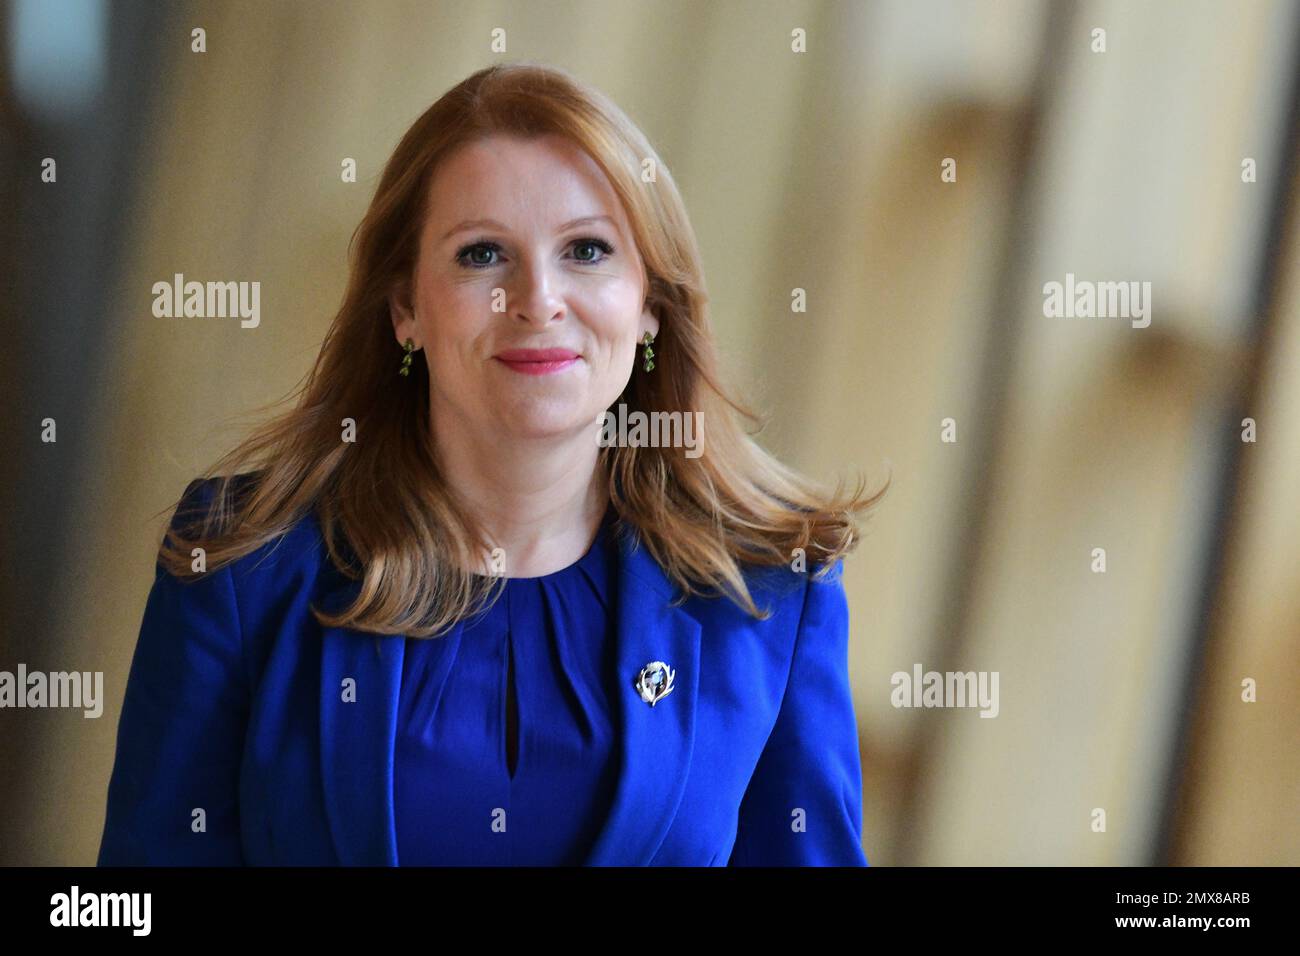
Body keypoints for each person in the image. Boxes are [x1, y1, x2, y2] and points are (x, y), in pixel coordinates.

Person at [96, 61, 888, 867]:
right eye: (482, 255)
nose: (538, 299)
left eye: (587, 250)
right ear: (405, 306)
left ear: (649, 302)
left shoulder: (773, 590)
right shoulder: (243, 561)